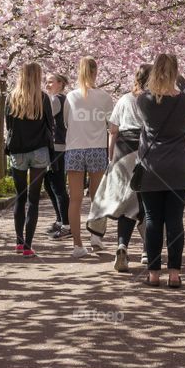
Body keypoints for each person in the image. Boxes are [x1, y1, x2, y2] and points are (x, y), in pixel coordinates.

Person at [135, 53, 185, 288]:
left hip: (152, 167)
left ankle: (152, 273)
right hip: (178, 169)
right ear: (176, 72)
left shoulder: (143, 100)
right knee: (175, 220)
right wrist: (178, 77)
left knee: (152, 220)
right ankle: (174, 274)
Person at [87, 63, 151, 272]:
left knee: (127, 200)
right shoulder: (154, 100)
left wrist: (110, 156)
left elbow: (113, 130)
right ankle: (146, 250)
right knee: (144, 200)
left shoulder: (124, 99)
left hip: (123, 150)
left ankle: (123, 244)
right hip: (145, 150)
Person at [64, 57, 114, 259]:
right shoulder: (104, 97)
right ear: (96, 72)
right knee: (97, 197)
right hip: (96, 148)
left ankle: (77, 244)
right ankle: (96, 236)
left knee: (74, 199)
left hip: (74, 149)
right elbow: (112, 125)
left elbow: (67, 122)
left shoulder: (71, 96)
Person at [5, 62, 54, 256]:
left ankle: (18, 242)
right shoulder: (42, 98)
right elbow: (51, 125)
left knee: (20, 196)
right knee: (33, 199)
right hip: (39, 151)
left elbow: (9, 126)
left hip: (18, 151)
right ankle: (28, 246)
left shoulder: (12, 98)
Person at [44, 72, 71, 238]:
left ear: (60, 83)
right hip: (56, 146)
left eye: (50, 82)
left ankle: (66, 224)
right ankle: (61, 220)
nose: (47, 85)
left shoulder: (55, 100)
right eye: (46, 82)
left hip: (57, 147)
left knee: (57, 186)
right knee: (50, 185)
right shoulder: (62, 99)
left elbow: (43, 118)